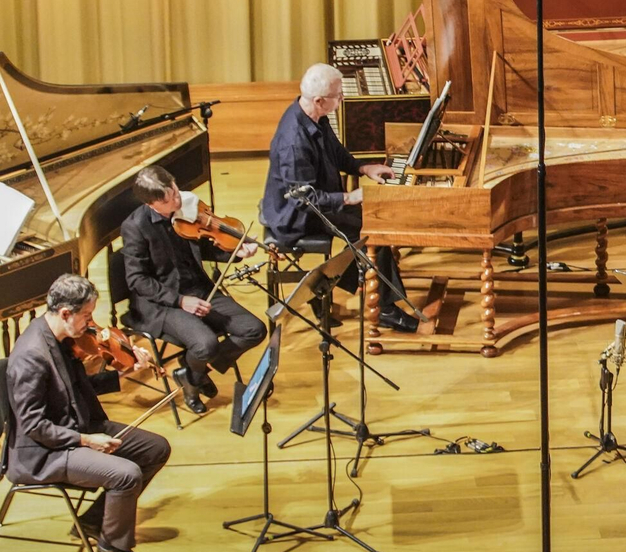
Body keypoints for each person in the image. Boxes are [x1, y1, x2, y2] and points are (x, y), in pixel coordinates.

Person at [5, 274, 169, 552]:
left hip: (76, 427)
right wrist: (87, 441)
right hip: (44, 452)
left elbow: (78, 389)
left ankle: (94, 521)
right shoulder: (32, 356)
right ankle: (113, 549)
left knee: (155, 448)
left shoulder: (62, 339)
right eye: (86, 316)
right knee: (126, 474)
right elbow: (33, 425)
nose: (91, 324)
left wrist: (125, 371)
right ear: (65, 313)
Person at [260, 62, 423, 333]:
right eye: (338, 96)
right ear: (319, 100)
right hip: (296, 216)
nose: (342, 99)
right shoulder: (293, 142)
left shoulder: (316, 116)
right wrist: (349, 198)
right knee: (373, 230)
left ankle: (321, 287)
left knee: (372, 224)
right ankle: (384, 309)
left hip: (319, 203)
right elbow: (304, 200)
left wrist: (364, 168)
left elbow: (337, 153)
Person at [121, 165, 266, 415]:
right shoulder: (135, 227)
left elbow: (204, 244)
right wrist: (180, 301)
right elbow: (137, 280)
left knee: (254, 329)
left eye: (176, 191)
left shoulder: (187, 208)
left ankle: (192, 373)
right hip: (164, 303)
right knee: (206, 345)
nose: (178, 200)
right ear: (151, 204)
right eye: (169, 200)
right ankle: (195, 371)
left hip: (199, 288)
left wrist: (235, 251)